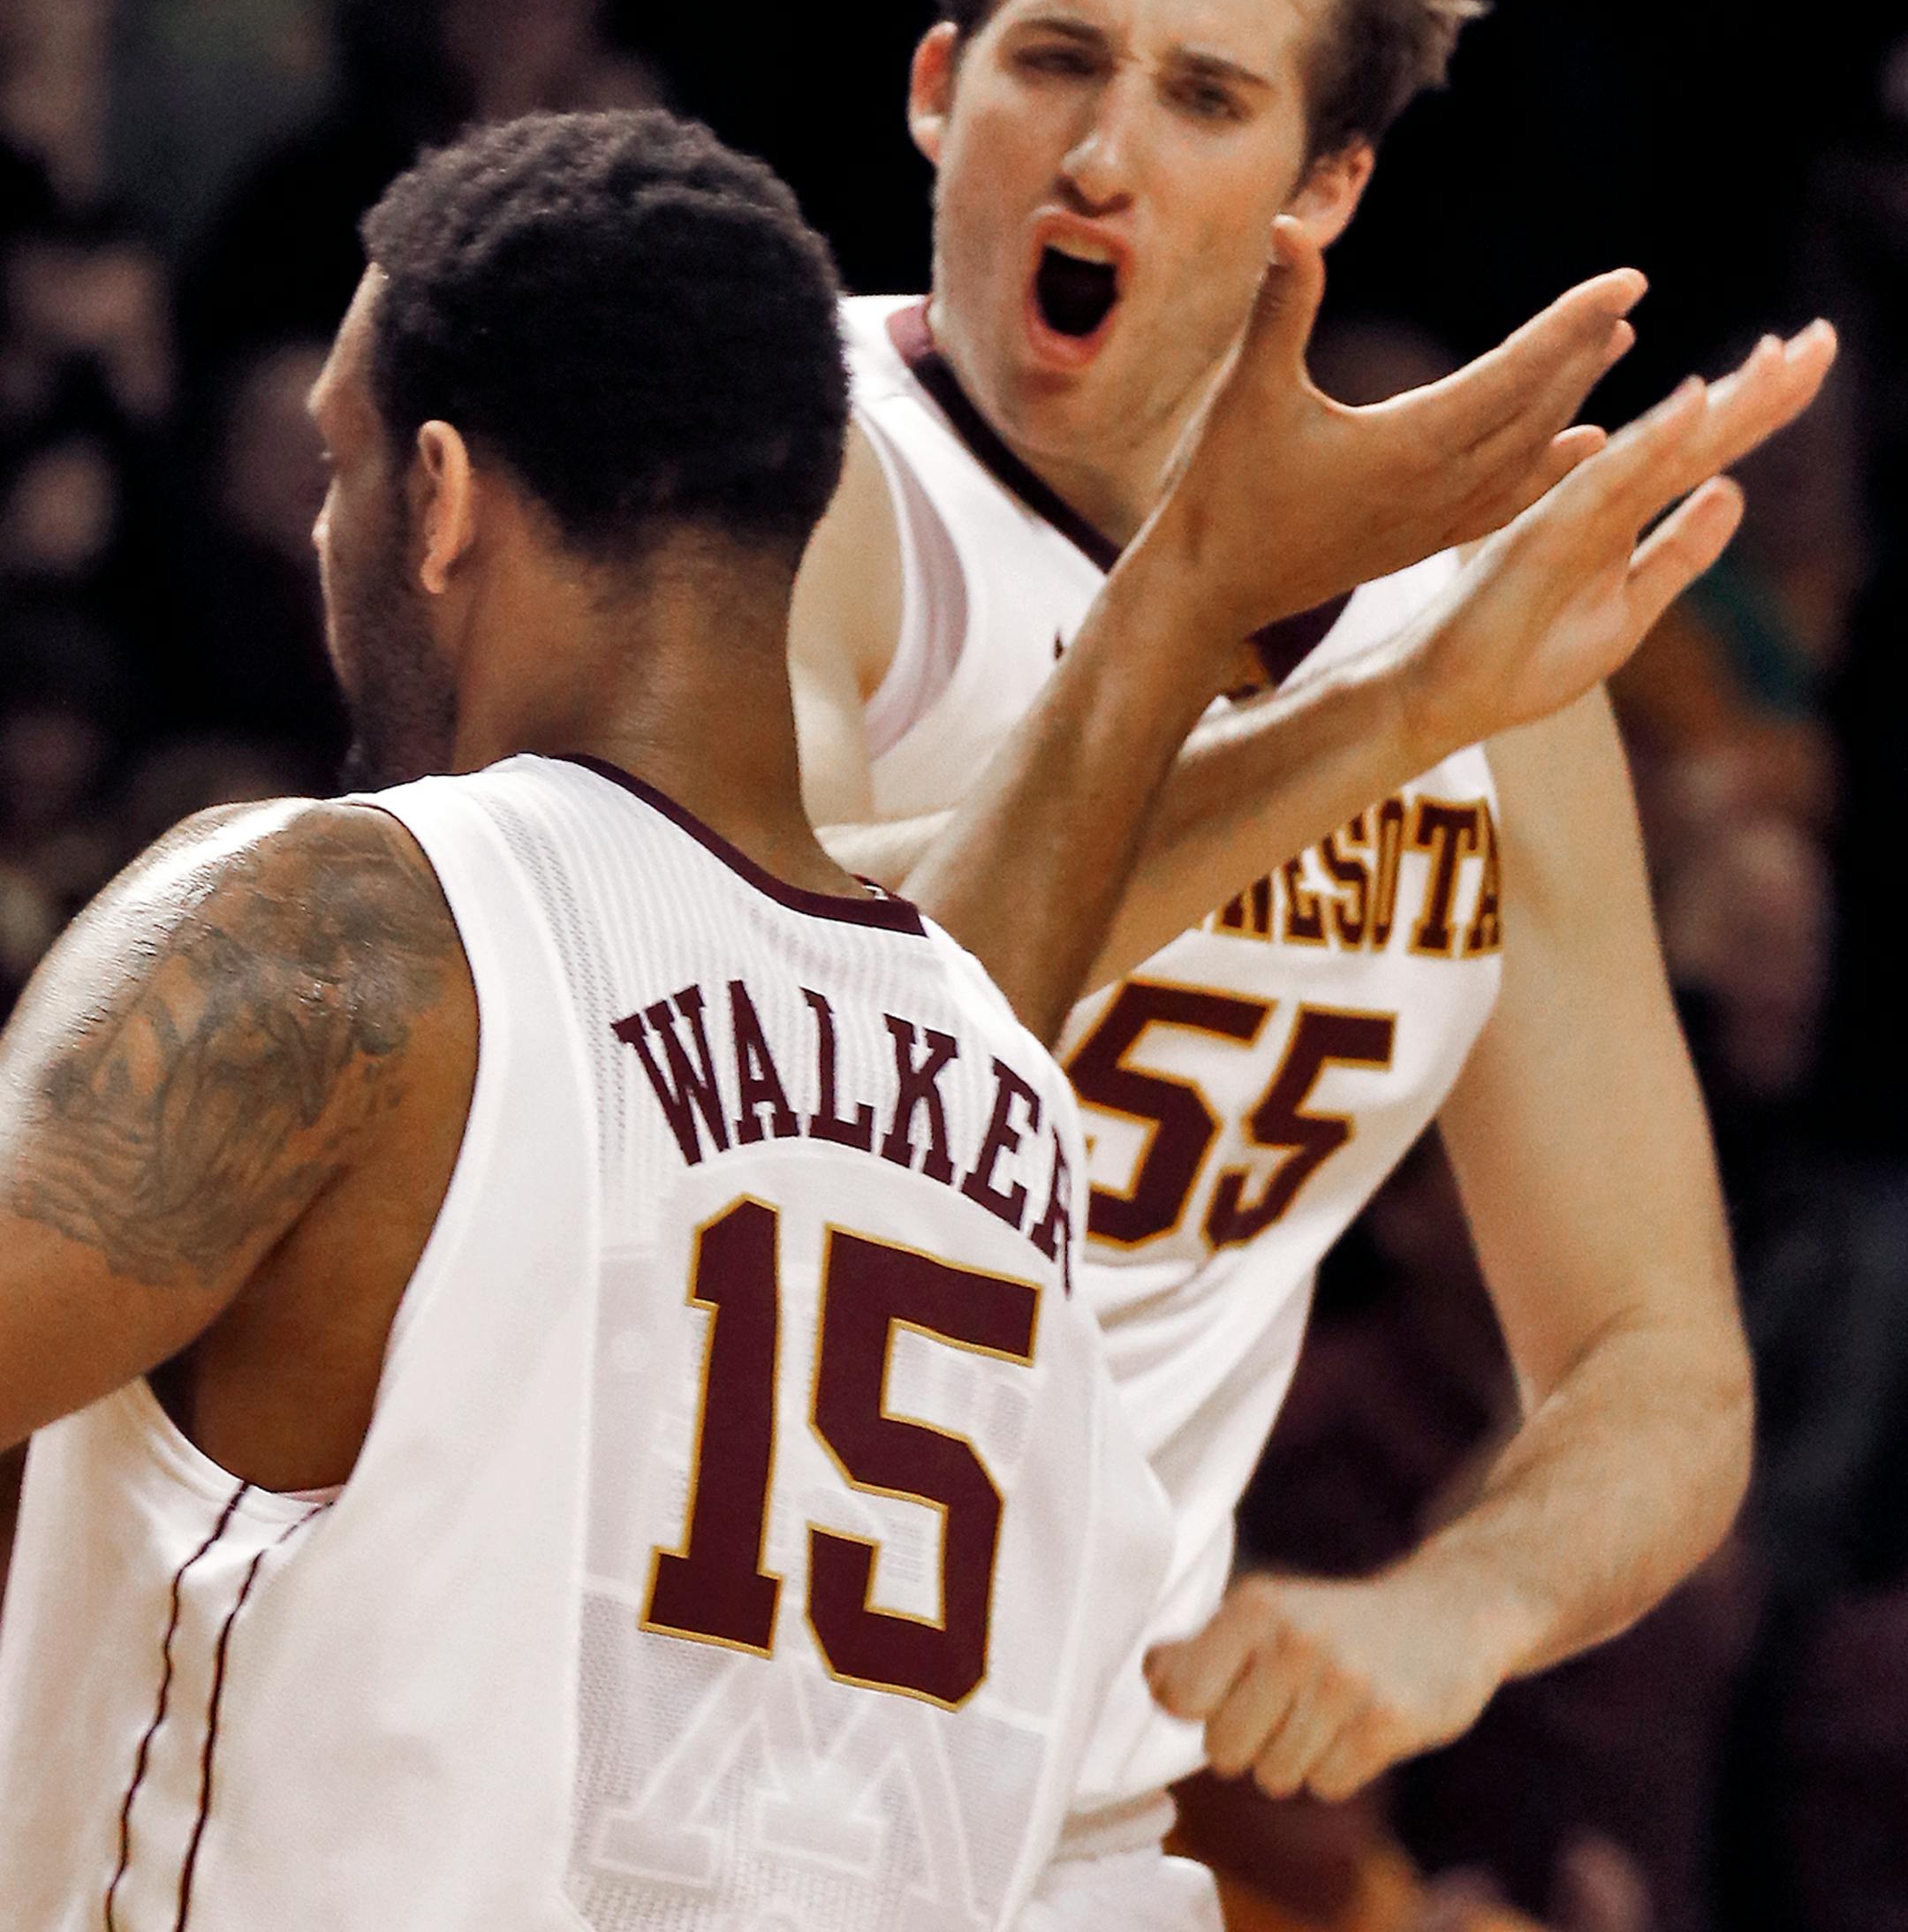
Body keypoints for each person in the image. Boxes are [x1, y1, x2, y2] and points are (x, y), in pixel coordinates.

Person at [0, 97, 1812, 1928]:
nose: (326, 536)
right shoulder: (996, 1111)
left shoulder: (335, 938)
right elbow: (923, 977)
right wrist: (1367, 691)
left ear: (446, 499)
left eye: (343, 470)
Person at [784, 0, 1840, 1926]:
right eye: (1055, 60)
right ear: (935, 86)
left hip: (1068, 1829)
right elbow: (803, 1049)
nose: (1101, 154)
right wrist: (1384, 713)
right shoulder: (780, 488)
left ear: (1323, 187)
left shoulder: (1476, 654)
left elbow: (1658, 1361)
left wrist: (1450, 1611)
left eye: (1203, 95)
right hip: (644, 1745)